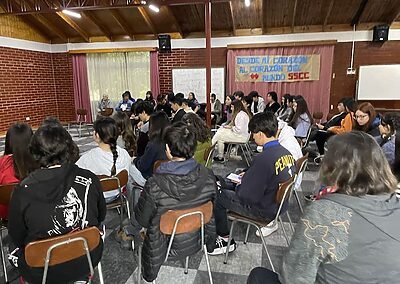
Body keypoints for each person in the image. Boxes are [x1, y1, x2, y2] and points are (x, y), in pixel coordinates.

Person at [248, 131, 400, 284]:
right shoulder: (395, 203)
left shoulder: (324, 212)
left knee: (258, 276)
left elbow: (293, 277)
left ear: (333, 166)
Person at [8, 122, 106, 284]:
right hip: (86, 258)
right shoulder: (89, 178)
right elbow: (101, 215)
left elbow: (17, 236)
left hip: (39, 269)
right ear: (69, 147)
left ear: (35, 151)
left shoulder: (23, 189)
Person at [134, 122, 216, 282]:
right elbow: (213, 207)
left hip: (163, 246)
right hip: (197, 238)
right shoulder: (208, 175)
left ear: (168, 151)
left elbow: (142, 220)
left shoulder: (154, 183)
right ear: (192, 149)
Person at [209, 112, 296, 255]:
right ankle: (221, 182)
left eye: (253, 133)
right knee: (229, 180)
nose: (252, 137)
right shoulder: (285, 152)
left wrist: (241, 184)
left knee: (218, 194)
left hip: (263, 210)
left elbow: (246, 195)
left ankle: (224, 240)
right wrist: (248, 175)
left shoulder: (264, 158)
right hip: (276, 205)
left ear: (261, 134)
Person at [76, 117, 131, 203]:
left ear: (97, 135)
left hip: (97, 198)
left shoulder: (89, 157)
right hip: (117, 193)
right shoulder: (124, 153)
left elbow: (73, 173)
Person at [0, 123, 37, 219]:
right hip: (36, 212)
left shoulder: (2, 163)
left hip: (7, 214)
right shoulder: (41, 161)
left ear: (9, 141)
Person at [130, 111, 169, 187]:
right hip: (167, 178)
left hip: (150, 178)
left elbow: (142, 166)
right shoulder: (172, 140)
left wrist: (134, 160)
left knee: (128, 165)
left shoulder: (153, 144)